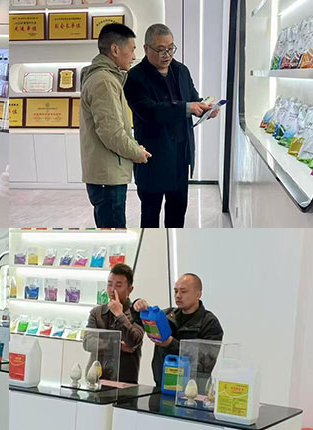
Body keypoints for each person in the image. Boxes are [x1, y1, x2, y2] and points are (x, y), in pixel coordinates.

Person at [124, 24, 219, 228]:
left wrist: (205, 108)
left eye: (170, 48)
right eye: (160, 50)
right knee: (150, 217)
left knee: (177, 214)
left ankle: (174, 246)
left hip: (181, 157)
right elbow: (149, 111)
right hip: (153, 158)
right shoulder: (135, 77)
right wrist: (186, 108)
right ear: (146, 48)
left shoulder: (181, 70)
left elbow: (193, 98)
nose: (167, 54)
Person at [79, 23, 151, 228]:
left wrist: (134, 147)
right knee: (113, 234)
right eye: (132, 49)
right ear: (115, 49)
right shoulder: (104, 81)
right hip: (108, 176)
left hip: (108, 173)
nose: (134, 56)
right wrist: (137, 152)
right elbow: (111, 132)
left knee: (110, 229)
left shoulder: (105, 78)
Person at [133, 273, 224, 388]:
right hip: (161, 386)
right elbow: (138, 321)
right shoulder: (166, 315)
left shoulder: (210, 323)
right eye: (176, 291)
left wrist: (171, 344)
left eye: (183, 291)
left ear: (198, 294)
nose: (178, 296)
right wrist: (137, 306)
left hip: (192, 390)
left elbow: (205, 361)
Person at [84, 263, 145, 384]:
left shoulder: (137, 313)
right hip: (97, 378)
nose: (112, 290)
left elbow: (134, 341)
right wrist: (117, 344)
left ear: (130, 289)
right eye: (109, 284)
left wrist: (119, 315)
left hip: (125, 380)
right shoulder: (97, 312)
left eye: (118, 285)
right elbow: (88, 342)